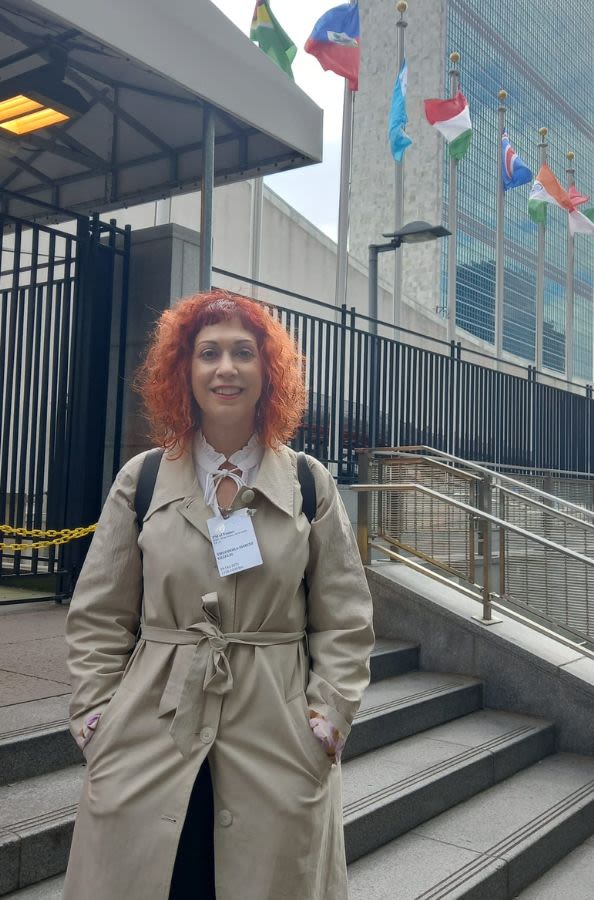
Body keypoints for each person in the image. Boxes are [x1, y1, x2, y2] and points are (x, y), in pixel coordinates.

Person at [63, 289, 374, 900]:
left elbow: (345, 617)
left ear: (269, 370)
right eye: (208, 353)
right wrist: (95, 718)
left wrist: (325, 721)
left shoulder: (310, 483)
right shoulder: (144, 477)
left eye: (243, 352)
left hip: (277, 734)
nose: (225, 368)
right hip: (151, 726)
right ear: (185, 370)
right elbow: (99, 611)